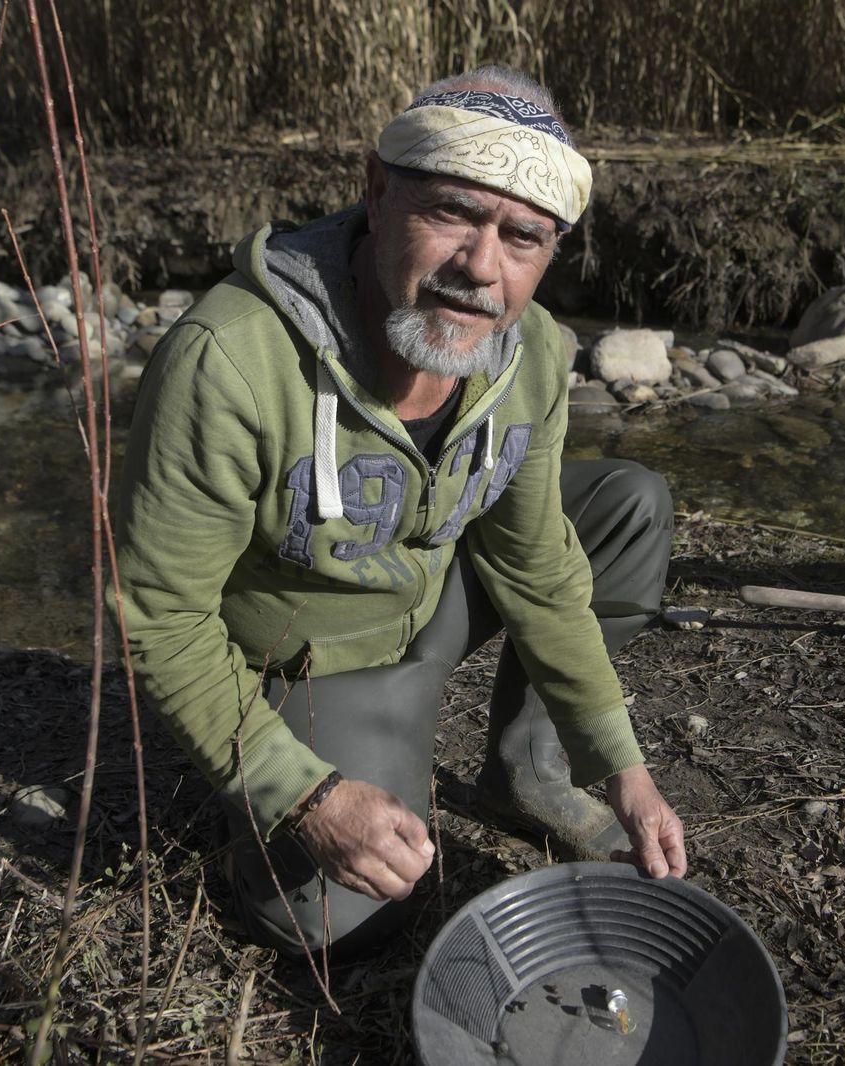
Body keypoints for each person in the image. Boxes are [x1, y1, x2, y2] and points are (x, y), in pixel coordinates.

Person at [115, 65, 688, 955]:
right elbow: (159, 619)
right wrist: (305, 795)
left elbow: (533, 563)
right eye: (452, 213)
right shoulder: (227, 358)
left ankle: (527, 772)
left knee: (625, 506)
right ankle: (301, 783)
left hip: (431, 594)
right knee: (327, 926)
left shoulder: (533, 353)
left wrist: (619, 762)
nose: (480, 268)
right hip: (313, 657)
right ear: (378, 192)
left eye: (524, 237)